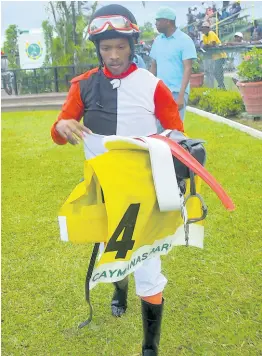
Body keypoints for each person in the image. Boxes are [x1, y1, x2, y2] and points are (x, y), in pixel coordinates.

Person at [51, 4, 183, 355]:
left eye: (120, 47)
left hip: (144, 189)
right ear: (98, 49)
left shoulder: (152, 85)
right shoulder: (83, 86)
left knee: (147, 261)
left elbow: (176, 131)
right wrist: (62, 126)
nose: (113, 55)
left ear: (132, 44)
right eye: (106, 48)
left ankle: (150, 347)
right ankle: (118, 290)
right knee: (112, 244)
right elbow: (62, 126)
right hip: (104, 188)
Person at [149, 6, 197, 126]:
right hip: (160, 91)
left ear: (168, 21)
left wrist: (181, 96)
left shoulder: (185, 40)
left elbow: (188, 68)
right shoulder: (158, 41)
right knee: (158, 130)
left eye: (158, 20)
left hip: (177, 92)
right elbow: (153, 67)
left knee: (173, 131)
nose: (156, 24)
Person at [201, 22, 227, 90]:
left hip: (220, 55)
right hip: (214, 57)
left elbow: (212, 44)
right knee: (215, 72)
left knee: (218, 72)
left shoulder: (211, 33)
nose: (203, 30)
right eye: (202, 28)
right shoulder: (204, 36)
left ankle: (222, 86)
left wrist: (206, 46)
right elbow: (204, 46)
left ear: (208, 28)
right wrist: (206, 46)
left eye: (205, 28)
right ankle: (221, 86)